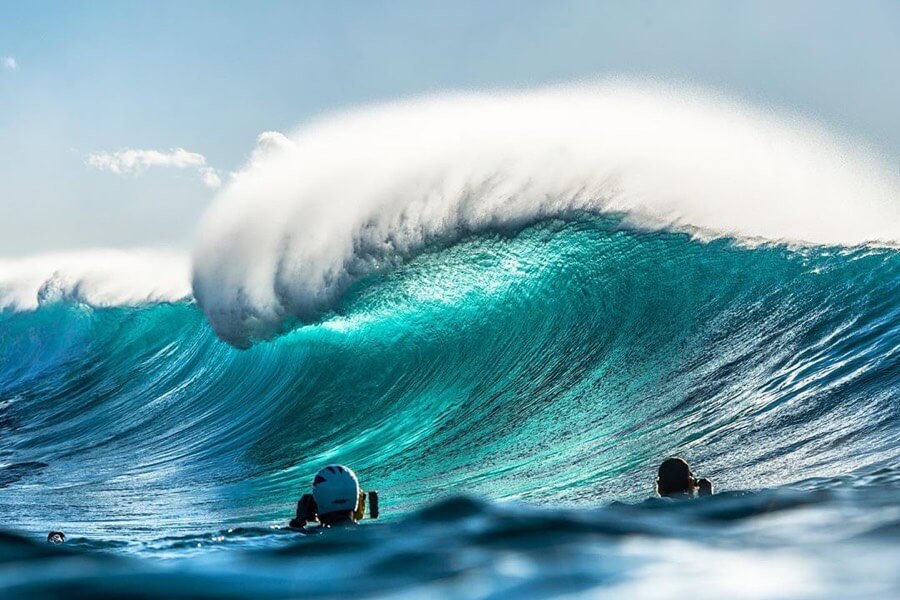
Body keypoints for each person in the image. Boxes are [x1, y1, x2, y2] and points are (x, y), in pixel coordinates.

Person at [289, 464, 378, 529]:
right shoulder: (374, 533)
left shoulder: (309, 537)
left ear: (315, 504)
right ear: (356, 499)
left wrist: (298, 522)